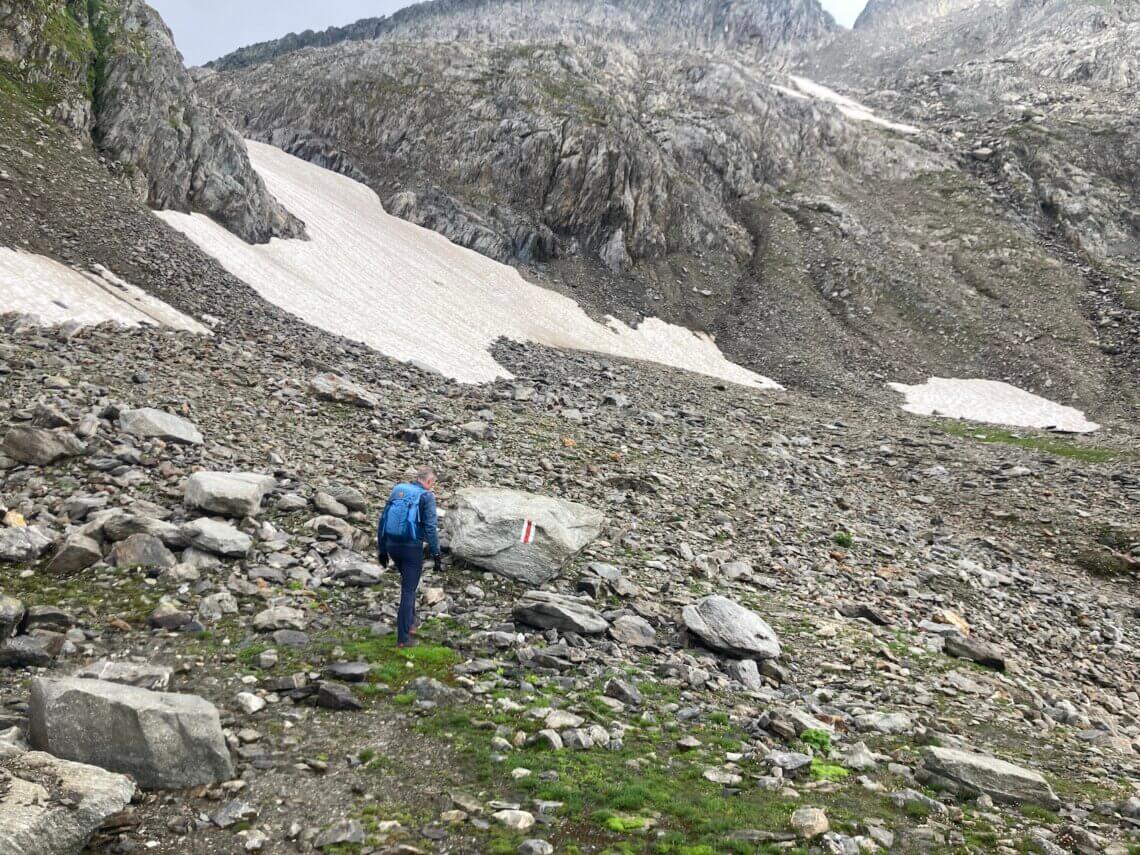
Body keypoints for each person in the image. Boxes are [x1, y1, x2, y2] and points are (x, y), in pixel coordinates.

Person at [377, 465, 441, 648]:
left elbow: (383, 519)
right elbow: (430, 528)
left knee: (408, 583)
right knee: (408, 591)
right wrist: (436, 554)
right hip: (411, 548)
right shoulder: (427, 497)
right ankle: (403, 638)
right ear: (429, 481)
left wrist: (382, 550)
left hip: (392, 545)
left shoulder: (398, 490)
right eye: (433, 483)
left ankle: (411, 623)